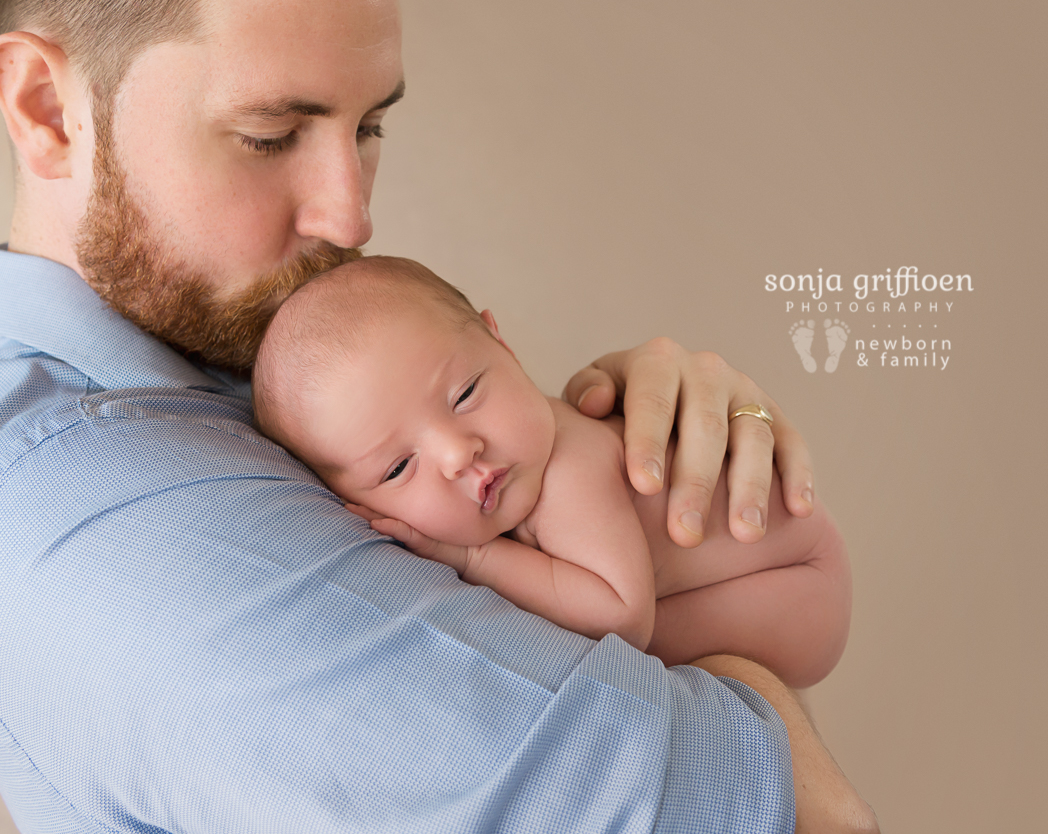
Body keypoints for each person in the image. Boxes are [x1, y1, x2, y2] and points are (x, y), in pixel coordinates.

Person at [0, 0, 877, 831]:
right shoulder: (100, 529)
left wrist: (678, 484)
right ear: (45, 108)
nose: (351, 215)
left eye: (367, 125)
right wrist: (739, 677)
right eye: (270, 133)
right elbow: (793, 812)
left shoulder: (278, 374)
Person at [253, 256, 853, 689]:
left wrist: (474, 561)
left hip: (799, 580)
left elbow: (621, 617)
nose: (459, 453)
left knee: (600, 650)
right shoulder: (513, 472)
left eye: (464, 394)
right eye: (399, 467)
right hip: (746, 574)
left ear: (503, 346)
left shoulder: (568, 469)